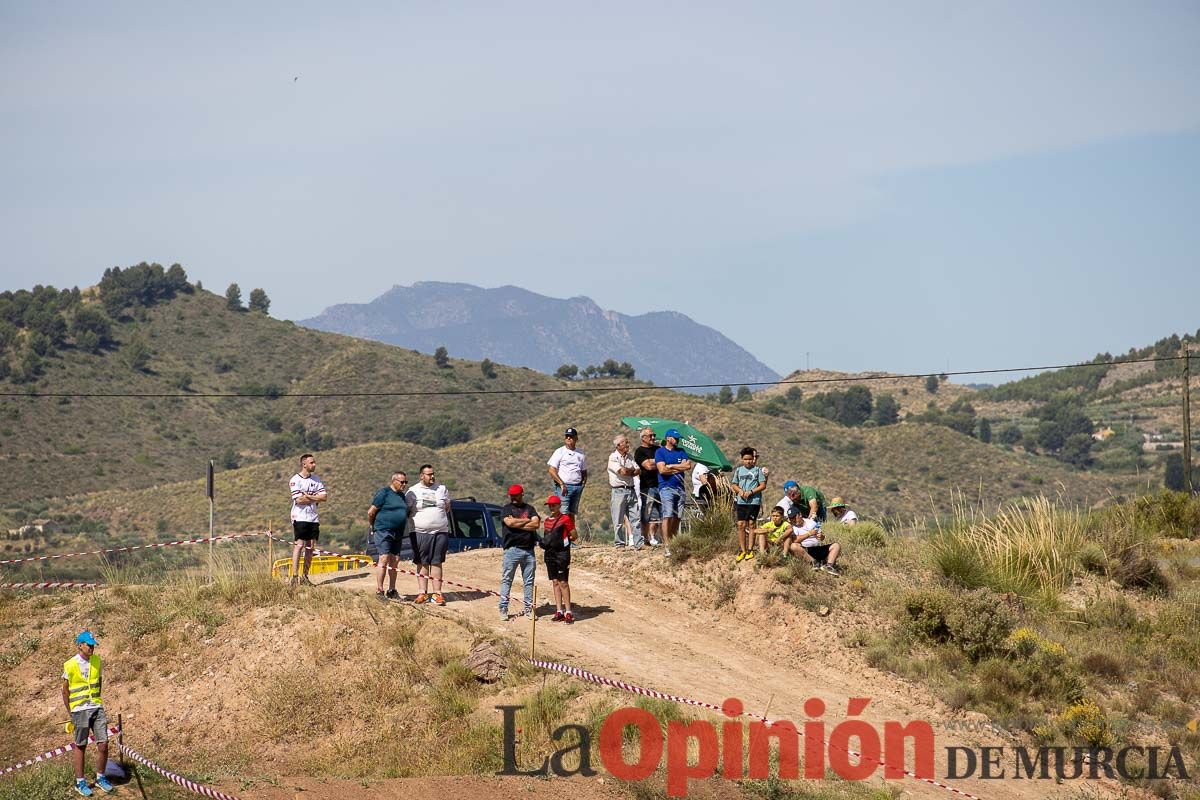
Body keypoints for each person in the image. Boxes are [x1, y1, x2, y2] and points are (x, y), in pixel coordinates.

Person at [62, 631, 114, 797]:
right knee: (81, 745)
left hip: (96, 707)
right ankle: (80, 781)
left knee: (104, 743)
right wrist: (71, 712)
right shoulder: (70, 664)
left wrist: (96, 700)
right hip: (79, 710)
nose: (92, 648)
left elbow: (99, 683)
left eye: (93, 645)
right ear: (80, 645)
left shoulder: (97, 661)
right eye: (89, 645)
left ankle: (100, 777)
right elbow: (65, 691)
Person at [407, 464, 450, 605]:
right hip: (420, 532)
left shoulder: (442, 489)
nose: (432, 476)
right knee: (422, 562)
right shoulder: (413, 491)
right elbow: (407, 510)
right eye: (428, 474)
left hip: (440, 531)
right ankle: (422, 593)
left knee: (437, 562)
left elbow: (447, 507)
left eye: (433, 474)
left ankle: (437, 594)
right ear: (421, 475)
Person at [368, 472, 412, 600]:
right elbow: (371, 512)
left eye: (405, 482)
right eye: (401, 482)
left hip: (398, 532)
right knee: (384, 558)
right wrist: (373, 526)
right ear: (394, 481)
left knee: (395, 559)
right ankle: (379, 590)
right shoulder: (384, 493)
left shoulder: (402, 496)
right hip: (383, 530)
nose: (404, 485)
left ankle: (392, 590)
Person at [499, 484, 540, 620]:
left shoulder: (530, 508)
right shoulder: (506, 509)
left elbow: (536, 524)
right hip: (512, 550)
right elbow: (509, 524)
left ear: (522, 494)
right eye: (512, 495)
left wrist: (517, 522)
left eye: (516, 495)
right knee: (507, 580)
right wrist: (527, 521)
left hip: (529, 551)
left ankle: (529, 609)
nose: (514, 498)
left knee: (529, 581)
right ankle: (503, 609)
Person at [289, 453, 328, 585]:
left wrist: (310, 497)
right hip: (300, 517)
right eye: (311, 462)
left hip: (313, 517)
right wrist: (315, 497)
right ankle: (294, 576)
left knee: (310, 547)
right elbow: (299, 499)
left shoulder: (316, 479)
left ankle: (305, 576)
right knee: (299, 545)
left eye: (314, 462)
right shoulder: (295, 480)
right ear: (304, 464)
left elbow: (324, 497)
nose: (314, 464)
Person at [655, 429, 692, 557]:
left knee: (678, 517)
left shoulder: (681, 451)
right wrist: (677, 467)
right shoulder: (660, 452)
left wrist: (671, 466)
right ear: (668, 438)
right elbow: (662, 470)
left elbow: (688, 466)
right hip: (666, 487)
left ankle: (674, 542)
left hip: (680, 488)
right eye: (676, 438)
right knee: (668, 515)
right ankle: (667, 545)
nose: (678, 440)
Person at [539, 495, 578, 623]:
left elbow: (574, 535)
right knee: (555, 582)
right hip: (550, 554)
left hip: (562, 554)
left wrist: (564, 542)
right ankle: (559, 611)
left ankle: (568, 612)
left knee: (563, 582)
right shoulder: (546, 521)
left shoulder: (565, 519)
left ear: (559, 506)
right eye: (549, 505)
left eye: (554, 505)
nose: (551, 507)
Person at [781, 507, 841, 575]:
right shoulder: (792, 527)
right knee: (793, 546)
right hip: (805, 551)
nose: (793, 520)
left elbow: (822, 537)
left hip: (817, 548)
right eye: (791, 518)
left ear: (800, 515)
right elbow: (795, 540)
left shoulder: (811, 523)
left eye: (794, 517)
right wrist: (809, 534)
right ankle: (814, 563)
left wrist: (821, 536)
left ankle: (829, 566)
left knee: (836, 546)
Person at [732, 447, 767, 561]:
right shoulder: (738, 470)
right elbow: (734, 484)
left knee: (752, 524)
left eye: (750, 459)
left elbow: (763, 485)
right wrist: (740, 491)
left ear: (753, 459)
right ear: (742, 459)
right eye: (745, 459)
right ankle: (742, 550)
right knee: (741, 525)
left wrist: (751, 492)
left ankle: (750, 550)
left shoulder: (757, 470)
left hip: (754, 501)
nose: (748, 461)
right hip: (741, 501)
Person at [608, 434, 641, 549]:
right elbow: (621, 471)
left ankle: (638, 543)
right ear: (618, 445)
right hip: (619, 491)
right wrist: (630, 471)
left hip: (631, 490)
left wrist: (629, 471)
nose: (628, 444)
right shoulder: (613, 457)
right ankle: (619, 543)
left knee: (635, 518)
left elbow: (637, 470)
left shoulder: (630, 457)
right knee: (618, 519)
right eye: (625, 442)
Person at [547, 427, 588, 518]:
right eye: (567, 436)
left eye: (571, 436)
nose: (568, 438)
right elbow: (551, 470)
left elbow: (584, 470)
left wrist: (583, 484)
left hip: (577, 486)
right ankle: (562, 532)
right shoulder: (559, 451)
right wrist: (561, 484)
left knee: (572, 513)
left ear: (576, 438)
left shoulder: (580, 453)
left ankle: (571, 531)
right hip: (564, 486)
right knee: (563, 512)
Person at [634, 427, 662, 547]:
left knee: (659, 514)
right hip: (647, 486)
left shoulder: (658, 449)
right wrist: (660, 463)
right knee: (647, 513)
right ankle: (645, 538)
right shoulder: (640, 451)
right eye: (650, 435)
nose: (653, 437)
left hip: (660, 485)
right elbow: (648, 466)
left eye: (654, 435)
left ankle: (654, 537)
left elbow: (656, 463)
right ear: (643, 438)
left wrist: (654, 462)